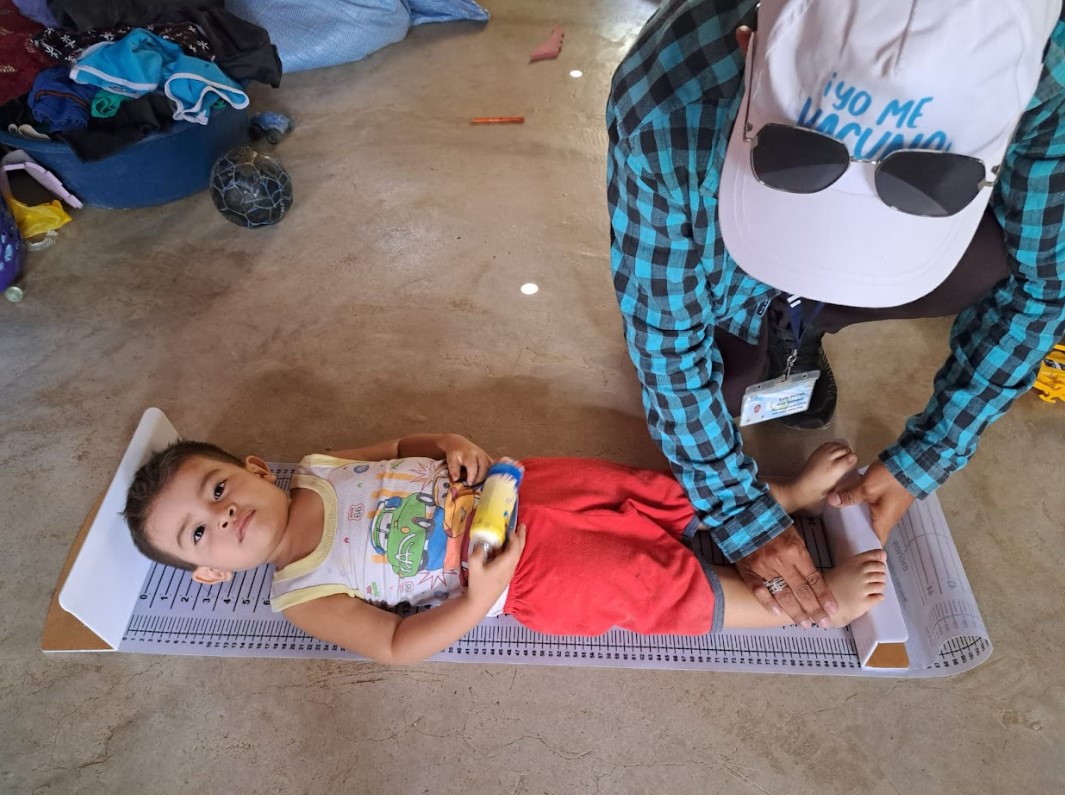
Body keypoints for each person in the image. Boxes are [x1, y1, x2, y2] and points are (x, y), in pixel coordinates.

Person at [606, 0, 1065, 629]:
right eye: (798, 176)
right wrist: (738, 512)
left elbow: (1044, 286)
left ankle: (805, 324)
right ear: (749, 49)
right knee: (723, 392)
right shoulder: (668, 95)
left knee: (999, 257)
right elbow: (665, 334)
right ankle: (770, 321)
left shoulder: (1047, 71)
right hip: (724, 259)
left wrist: (928, 456)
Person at [121, 433, 886, 664]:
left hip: (518, 486)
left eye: (217, 488)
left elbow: (405, 441)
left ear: (255, 468)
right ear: (210, 572)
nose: (222, 515)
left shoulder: (318, 464)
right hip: (520, 576)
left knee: (641, 488)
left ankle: (777, 498)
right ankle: (792, 605)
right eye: (199, 532)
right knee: (639, 580)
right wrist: (480, 598)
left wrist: (447, 441)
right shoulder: (302, 593)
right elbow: (395, 644)